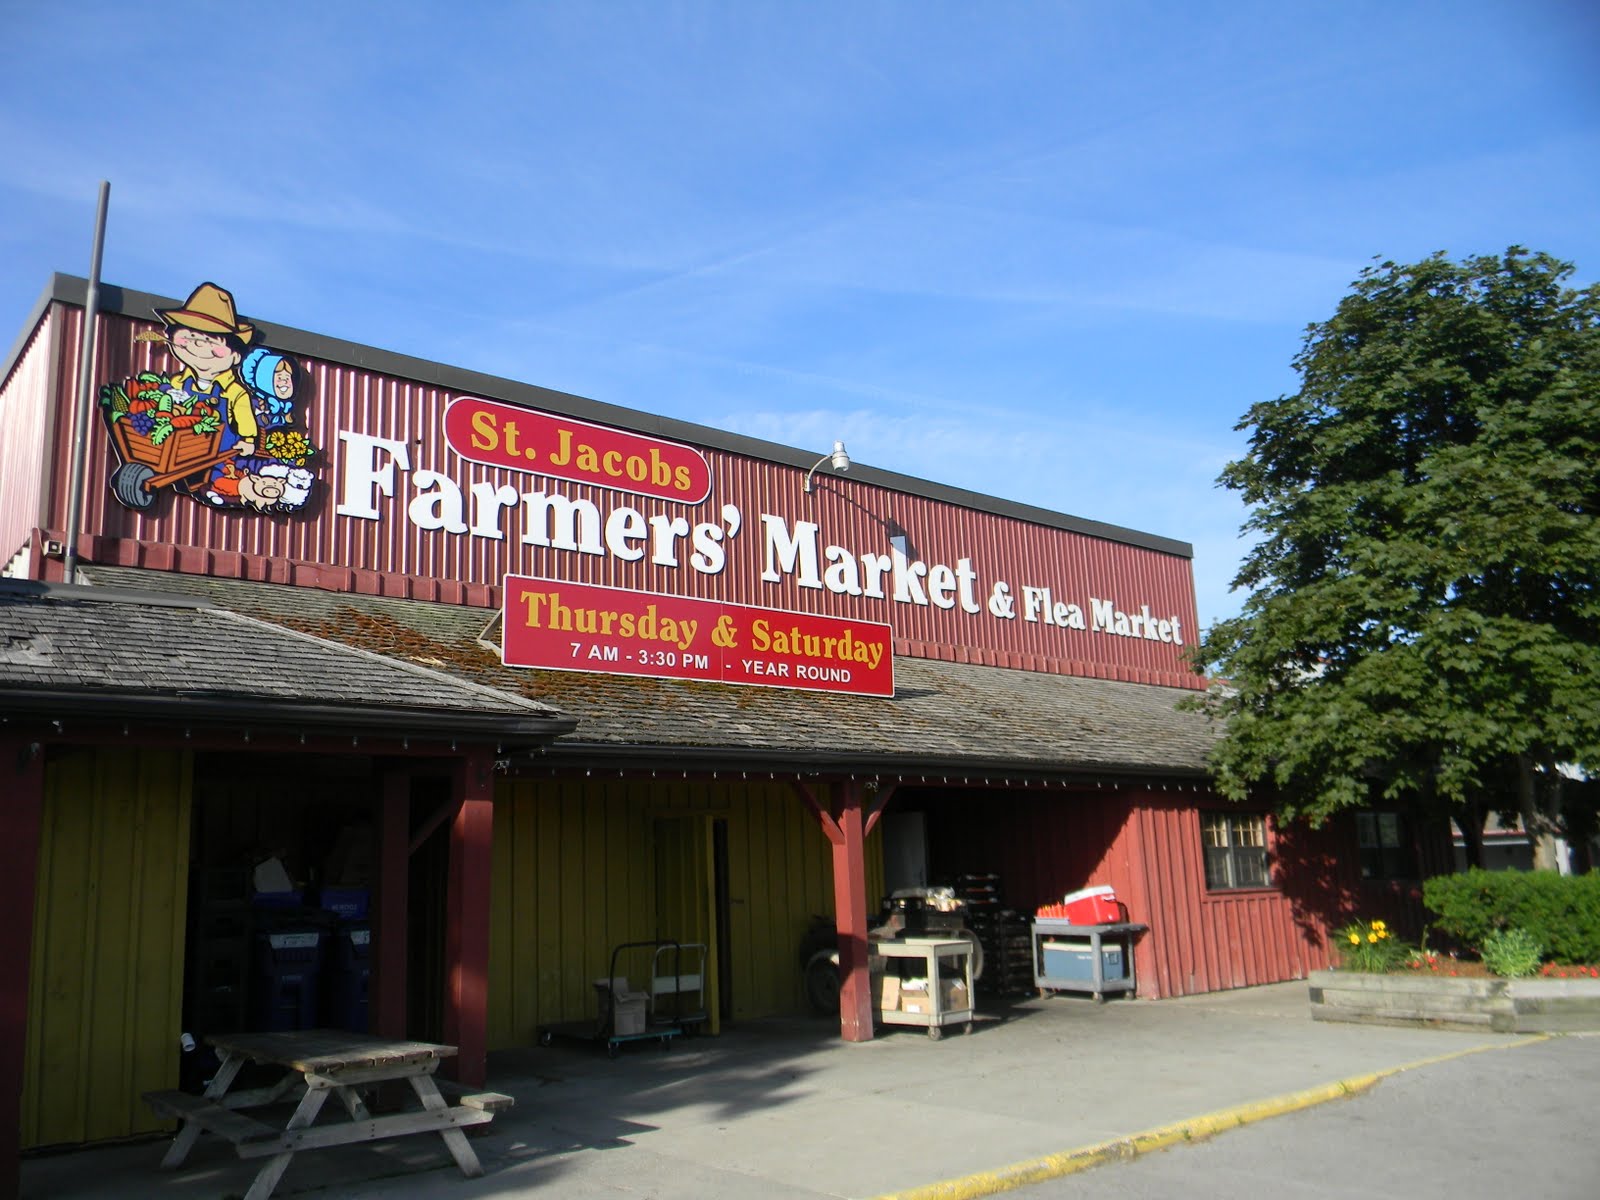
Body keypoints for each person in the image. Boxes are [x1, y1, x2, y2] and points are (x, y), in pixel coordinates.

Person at [155, 282, 260, 461]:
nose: (199, 346)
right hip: (176, 451)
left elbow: (245, 418)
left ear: (235, 356)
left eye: (212, 342)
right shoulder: (177, 383)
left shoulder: (235, 392)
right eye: (190, 337)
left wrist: (249, 440)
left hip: (220, 458)